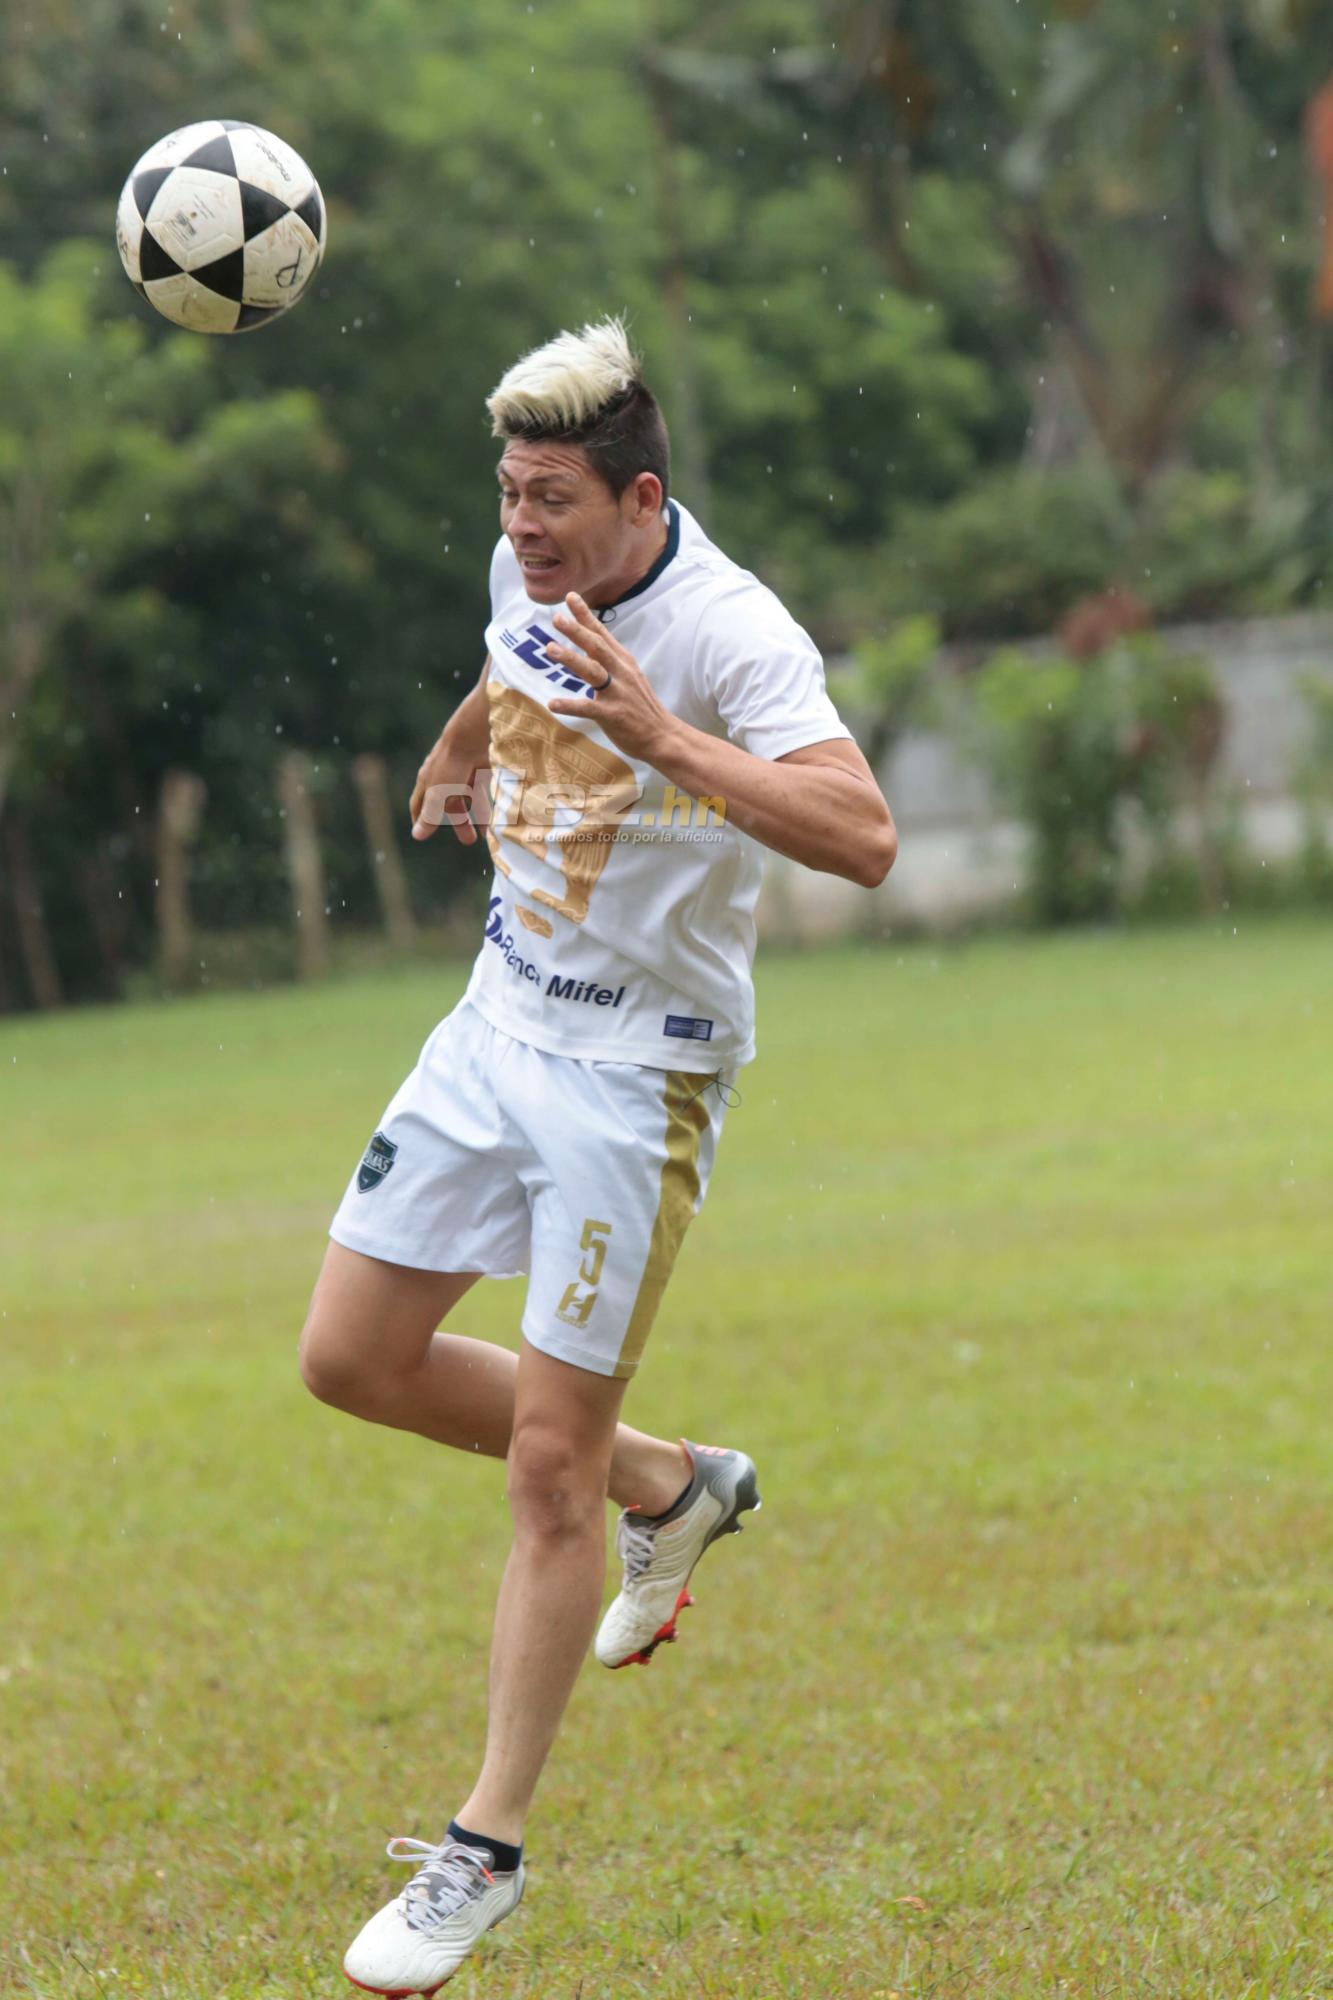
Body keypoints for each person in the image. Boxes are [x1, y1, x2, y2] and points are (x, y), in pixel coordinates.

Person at [298, 317, 897, 1996]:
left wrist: (667, 743)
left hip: (635, 1089)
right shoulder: (528, 568)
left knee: (537, 1477)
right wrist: (461, 744)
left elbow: (861, 837)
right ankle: (672, 1482)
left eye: (553, 498)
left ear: (642, 497)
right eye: (506, 495)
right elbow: (513, 658)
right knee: (347, 1358)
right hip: (490, 1035)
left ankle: (478, 1853)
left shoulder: (729, 632)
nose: (522, 527)